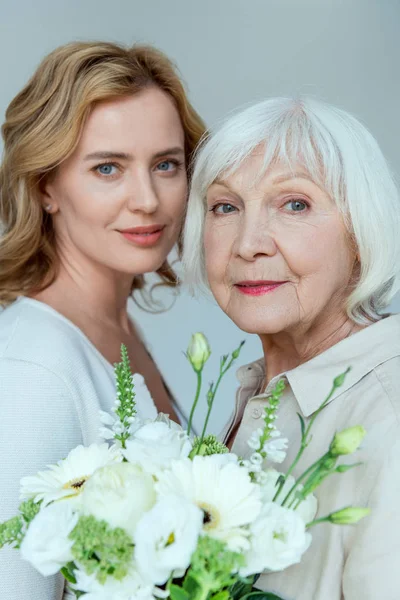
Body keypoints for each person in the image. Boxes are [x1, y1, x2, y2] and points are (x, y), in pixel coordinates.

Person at [0, 41, 205, 599]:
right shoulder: (32, 369)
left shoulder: (118, 328)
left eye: (166, 164)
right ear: (46, 186)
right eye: (108, 168)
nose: (147, 200)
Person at [183, 96, 400, 600]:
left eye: (294, 204)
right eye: (225, 207)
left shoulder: (389, 413)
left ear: (360, 233)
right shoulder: (263, 390)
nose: (247, 243)